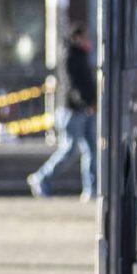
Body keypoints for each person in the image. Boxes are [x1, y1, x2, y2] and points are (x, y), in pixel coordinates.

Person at [28, 28, 98, 200]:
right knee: (70, 150)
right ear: (77, 38)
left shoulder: (81, 56)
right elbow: (72, 84)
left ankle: (91, 189)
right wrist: (86, 102)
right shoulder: (70, 56)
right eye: (85, 37)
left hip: (85, 109)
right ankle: (41, 177)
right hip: (72, 110)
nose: (89, 41)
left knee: (91, 150)